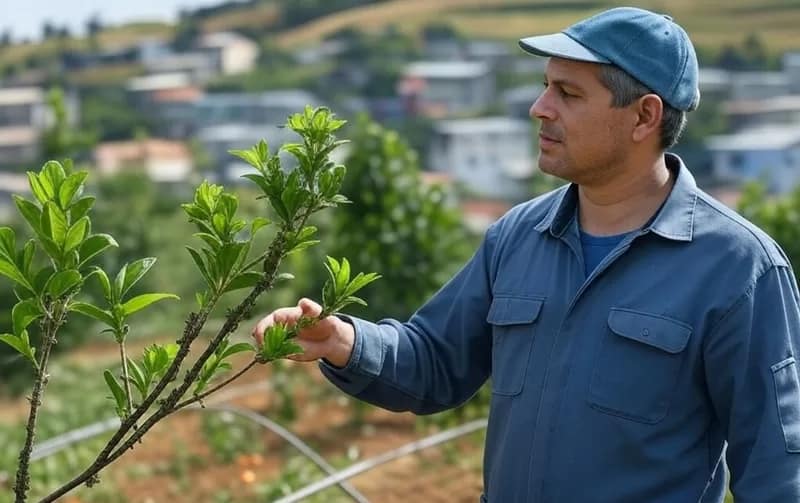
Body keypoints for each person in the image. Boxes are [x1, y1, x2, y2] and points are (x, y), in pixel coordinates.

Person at [252, 7, 800, 502]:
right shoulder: (518, 236)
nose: (540, 108)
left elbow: (779, 473)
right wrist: (345, 342)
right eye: (545, 88)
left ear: (643, 116)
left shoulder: (737, 269)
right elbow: (436, 361)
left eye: (569, 93)